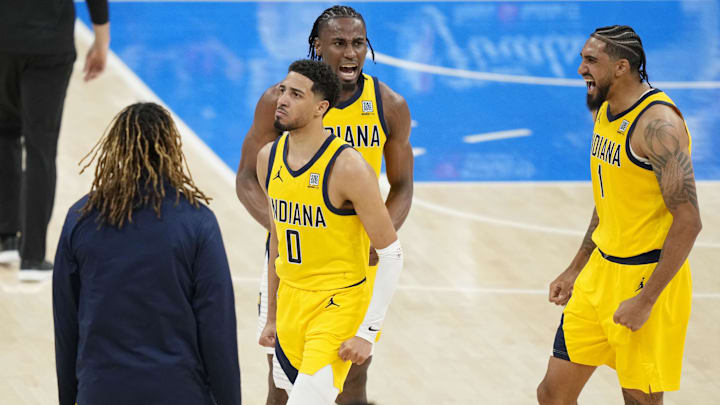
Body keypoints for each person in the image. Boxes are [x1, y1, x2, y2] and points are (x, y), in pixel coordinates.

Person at [235, 5, 413, 404]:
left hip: (350, 267)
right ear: (318, 46)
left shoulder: (389, 105)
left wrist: (377, 236)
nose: (350, 53)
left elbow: (402, 186)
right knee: (280, 385)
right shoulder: (280, 102)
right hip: (291, 264)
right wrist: (286, 225)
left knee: (352, 380)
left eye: (358, 43)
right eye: (339, 44)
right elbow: (247, 179)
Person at [537, 25, 702, 405]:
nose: (581, 69)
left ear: (622, 66)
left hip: (646, 278)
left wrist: (646, 300)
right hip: (600, 274)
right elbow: (608, 194)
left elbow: (689, 221)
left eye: (591, 60)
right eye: (582, 58)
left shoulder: (659, 127)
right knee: (552, 394)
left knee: (639, 400)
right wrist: (577, 265)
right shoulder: (605, 109)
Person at [52, 103, 242, 405]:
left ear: (115, 148)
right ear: (171, 148)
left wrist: (69, 399)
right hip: (179, 393)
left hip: (101, 391)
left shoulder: (80, 218)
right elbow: (218, 331)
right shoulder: (197, 221)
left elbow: (66, 326)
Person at [0, 0, 110, 280]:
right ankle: (33, 257)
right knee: (41, 149)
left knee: (4, 133)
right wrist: (101, 41)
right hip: (50, 43)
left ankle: (5, 238)